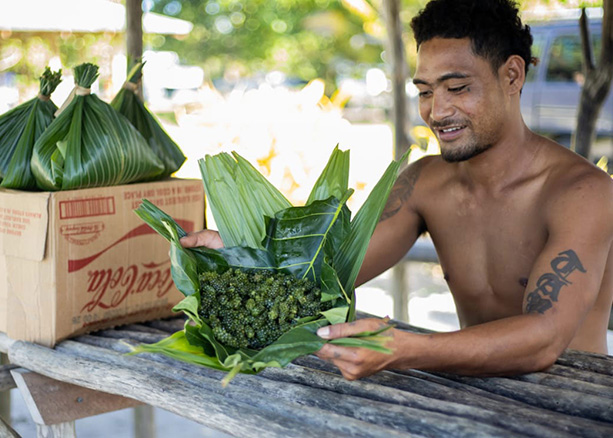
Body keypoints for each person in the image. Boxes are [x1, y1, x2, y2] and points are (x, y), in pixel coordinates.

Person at [180, 0, 613, 380]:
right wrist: (241, 251)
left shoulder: (584, 193)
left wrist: (407, 349)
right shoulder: (425, 181)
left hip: (572, 401)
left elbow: (545, 339)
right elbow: (326, 273)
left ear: (513, 75)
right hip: (468, 396)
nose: (437, 111)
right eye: (425, 92)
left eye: (458, 88)